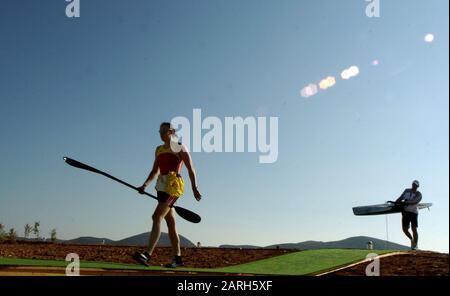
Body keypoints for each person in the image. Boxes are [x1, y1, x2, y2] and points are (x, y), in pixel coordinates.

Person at [133, 122, 202, 268]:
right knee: (170, 223)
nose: (161, 133)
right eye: (160, 130)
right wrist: (145, 185)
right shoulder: (158, 149)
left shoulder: (179, 147)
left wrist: (194, 188)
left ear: (171, 132)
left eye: (164, 130)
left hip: (174, 186)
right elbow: (154, 171)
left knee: (156, 216)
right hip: (161, 185)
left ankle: (147, 255)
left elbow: (191, 169)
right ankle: (177, 259)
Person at [395, 180, 422, 250]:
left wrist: (406, 202)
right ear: (412, 184)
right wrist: (396, 202)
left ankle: (415, 245)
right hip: (405, 212)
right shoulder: (406, 190)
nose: (414, 186)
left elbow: (414, 201)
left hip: (414, 213)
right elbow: (401, 197)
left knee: (414, 228)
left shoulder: (419, 194)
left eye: (416, 185)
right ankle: (412, 240)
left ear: (418, 186)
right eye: (413, 184)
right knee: (404, 229)